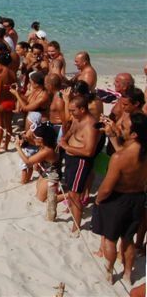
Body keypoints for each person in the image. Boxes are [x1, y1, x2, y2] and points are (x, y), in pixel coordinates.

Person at [93, 113, 147, 284]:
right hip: (137, 198)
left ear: (134, 135)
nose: (119, 128)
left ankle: (109, 273)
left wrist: (98, 199)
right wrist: (113, 137)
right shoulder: (143, 152)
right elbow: (126, 154)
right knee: (128, 238)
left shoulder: (119, 158)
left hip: (118, 200)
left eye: (123, 128)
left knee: (110, 239)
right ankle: (127, 275)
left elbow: (107, 187)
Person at [58, 95, 101, 236]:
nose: (71, 114)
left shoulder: (91, 125)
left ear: (82, 109)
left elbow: (89, 152)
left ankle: (76, 227)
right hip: (70, 159)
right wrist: (64, 138)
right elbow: (71, 130)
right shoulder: (77, 118)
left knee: (75, 195)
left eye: (73, 110)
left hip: (80, 162)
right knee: (70, 190)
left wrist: (66, 147)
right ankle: (71, 211)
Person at [16, 123, 60, 220]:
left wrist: (17, 147)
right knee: (38, 192)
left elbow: (28, 162)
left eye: (36, 137)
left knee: (42, 199)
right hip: (44, 173)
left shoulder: (47, 151)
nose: (34, 138)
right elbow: (31, 140)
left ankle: (70, 196)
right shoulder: (44, 145)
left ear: (42, 139)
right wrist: (23, 137)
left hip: (51, 176)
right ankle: (60, 191)